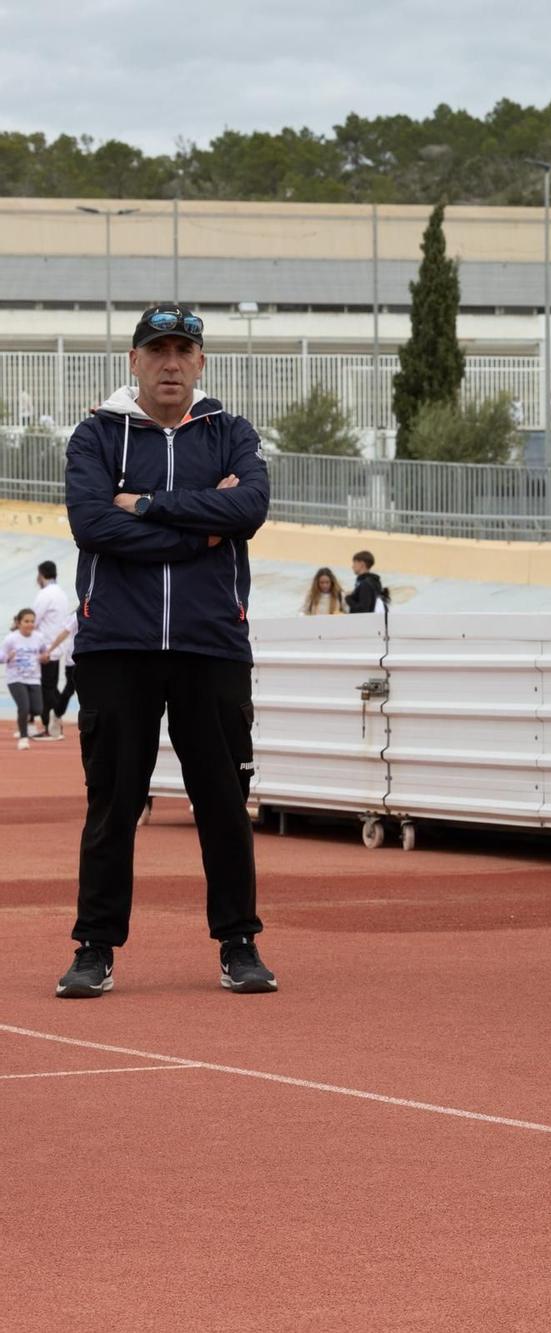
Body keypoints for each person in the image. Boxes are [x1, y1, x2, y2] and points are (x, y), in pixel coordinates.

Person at [57, 301, 275, 999]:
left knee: (222, 799)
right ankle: (94, 949)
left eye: (183, 350)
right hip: (116, 644)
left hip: (212, 644)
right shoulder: (96, 435)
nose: (171, 363)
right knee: (113, 802)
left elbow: (248, 509)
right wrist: (196, 530)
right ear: (134, 361)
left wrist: (147, 505)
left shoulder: (231, 432)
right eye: (158, 351)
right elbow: (93, 523)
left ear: (202, 361)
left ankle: (239, 943)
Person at [32, 560, 76, 739]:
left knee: (47, 688)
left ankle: (52, 725)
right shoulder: (61, 594)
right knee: (50, 687)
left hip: (47, 648)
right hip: (57, 648)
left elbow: (33, 619)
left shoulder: (45, 594)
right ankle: (52, 724)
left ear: (41, 575)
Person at [5, 608, 49, 751]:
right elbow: (1, 655)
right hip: (15, 678)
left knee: (37, 709)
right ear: (18, 623)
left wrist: (45, 658)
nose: (30, 624)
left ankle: (24, 721)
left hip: (34, 678)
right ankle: (23, 738)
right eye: (26, 621)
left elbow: (45, 653)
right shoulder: (11, 638)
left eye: (32, 621)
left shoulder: (39, 637)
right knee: (23, 707)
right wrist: (6, 657)